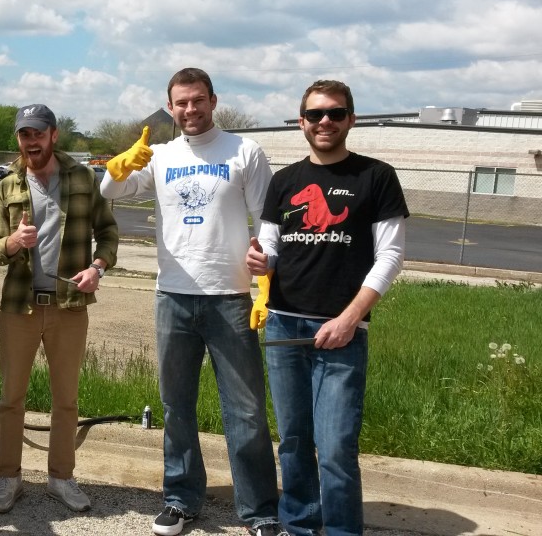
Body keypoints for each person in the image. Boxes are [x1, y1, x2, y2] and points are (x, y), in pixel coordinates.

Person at [99, 68, 286, 536]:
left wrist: (267, 265)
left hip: (230, 297)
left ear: (213, 101)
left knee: (246, 411)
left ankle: (260, 510)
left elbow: (268, 217)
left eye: (198, 100)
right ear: (170, 107)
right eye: (181, 102)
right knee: (176, 406)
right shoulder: (160, 155)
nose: (190, 109)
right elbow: (111, 192)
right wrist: (118, 167)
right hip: (173, 297)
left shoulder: (244, 151)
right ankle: (181, 499)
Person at [247, 80, 408, 536]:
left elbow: (391, 257)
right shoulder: (284, 181)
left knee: (336, 447)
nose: (325, 122)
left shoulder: (376, 176)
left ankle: (341, 530)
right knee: (294, 440)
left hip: (342, 332)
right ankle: (299, 524)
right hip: (284, 325)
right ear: (301, 121)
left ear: (350, 119)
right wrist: (261, 261)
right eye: (315, 114)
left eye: (335, 113)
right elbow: (272, 248)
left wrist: (350, 318)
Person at [0, 104, 118, 515]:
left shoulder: (83, 178)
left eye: (38, 133)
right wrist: (12, 243)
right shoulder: (7, 186)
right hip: (19, 307)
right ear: (19, 138)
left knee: (66, 400)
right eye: (24, 134)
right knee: (11, 398)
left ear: (53, 135)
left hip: (69, 307)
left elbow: (108, 231)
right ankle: (9, 478)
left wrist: (97, 268)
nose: (32, 141)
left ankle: (61, 478)